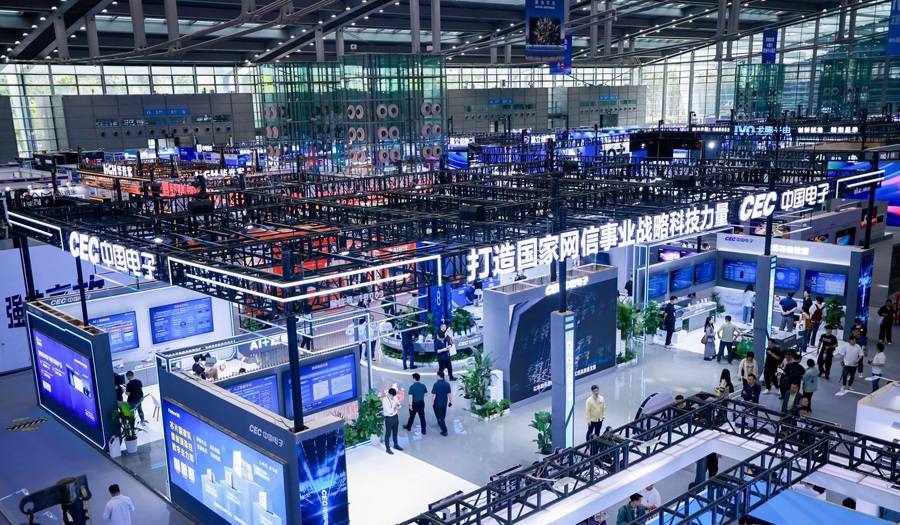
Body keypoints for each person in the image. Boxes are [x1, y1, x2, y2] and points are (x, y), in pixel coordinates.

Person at [381, 387, 403, 454]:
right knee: (388, 433)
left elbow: (399, 405)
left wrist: (397, 406)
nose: (393, 397)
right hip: (389, 418)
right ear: (389, 394)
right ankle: (388, 449)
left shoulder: (395, 397)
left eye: (394, 396)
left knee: (395, 432)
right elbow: (389, 412)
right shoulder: (385, 400)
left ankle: (396, 445)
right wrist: (395, 407)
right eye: (392, 396)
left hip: (395, 417)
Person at [431, 371, 453, 436]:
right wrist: (450, 402)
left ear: (438, 376)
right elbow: (449, 394)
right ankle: (440, 421)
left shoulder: (436, 384)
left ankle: (444, 431)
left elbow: (434, 395)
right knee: (442, 414)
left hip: (437, 404)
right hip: (444, 403)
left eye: (436, 375)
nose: (436, 376)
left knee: (440, 417)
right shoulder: (447, 384)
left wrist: (432, 402)